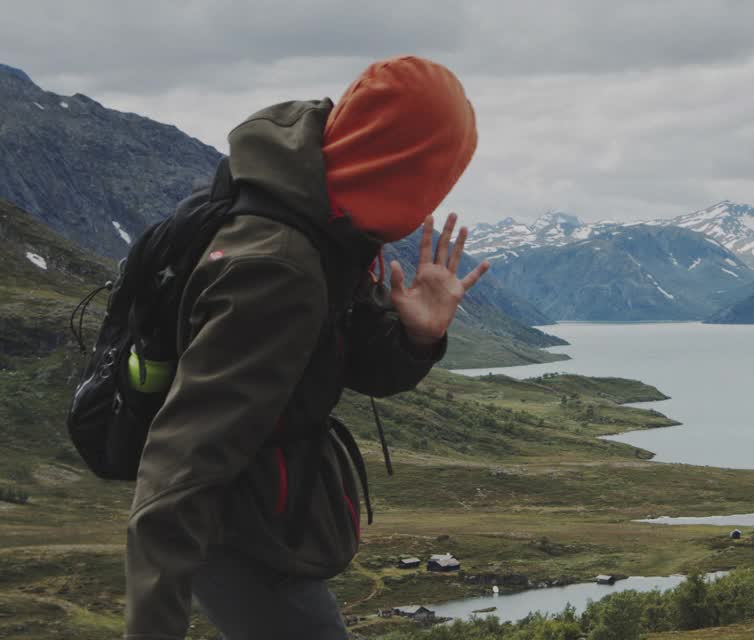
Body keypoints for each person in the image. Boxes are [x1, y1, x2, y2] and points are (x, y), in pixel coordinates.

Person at [124, 56, 485, 639]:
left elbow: (352, 361)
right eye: (433, 179)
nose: (428, 203)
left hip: (265, 514)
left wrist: (419, 337)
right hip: (239, 534)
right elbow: (178, 471)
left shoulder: (323, 208)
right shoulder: (280, 267)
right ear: (401, 167)